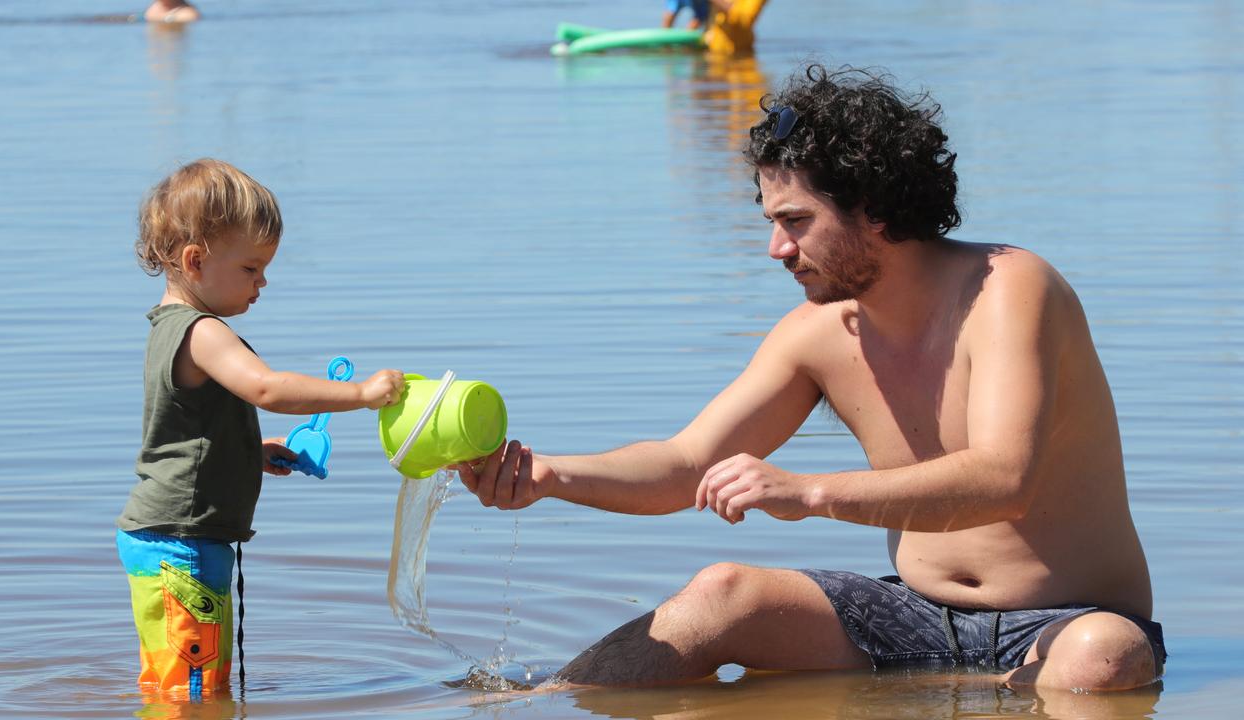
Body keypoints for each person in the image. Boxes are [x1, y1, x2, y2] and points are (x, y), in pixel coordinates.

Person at [456, 65, 1165, 691]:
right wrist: (549, 475)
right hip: (910, 615)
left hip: (1069, 621)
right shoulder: (813, 336)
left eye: (796, 221)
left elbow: (1007, 479)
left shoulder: (1010, 289)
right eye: (771, 221)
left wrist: (810, 493)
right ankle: (537, 703)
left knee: (1103, 659)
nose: (776, 248)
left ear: (875, 207)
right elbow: (684, 465)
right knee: (721, 594)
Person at [116, 159, 404, 695]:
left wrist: (249, 451)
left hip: (173, 540)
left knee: (179, 683)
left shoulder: (169, 330)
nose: (263, 282)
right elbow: (267, 389)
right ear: (195, 260)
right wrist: (361, 395)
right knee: (192, 694)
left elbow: (183, 438)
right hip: (182, 547)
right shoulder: (202, 332)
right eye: (251, 268)